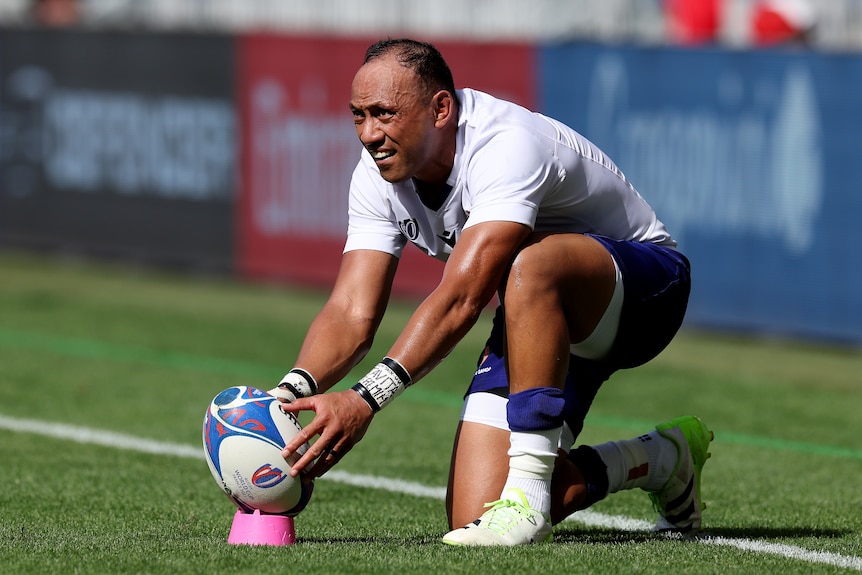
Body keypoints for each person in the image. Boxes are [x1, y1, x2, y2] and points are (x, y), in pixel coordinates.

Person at [270, 38, 712, 546]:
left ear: (441, 108)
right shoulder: (375, 175)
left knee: (528, 264)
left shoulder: (505, 143)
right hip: (538, 319)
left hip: (644, 294)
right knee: (473, 515)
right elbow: (351, 310)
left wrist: (365, 400)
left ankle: (527, 498)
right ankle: (660, 459)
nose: (370, 134)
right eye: (358, 116)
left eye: (384, 114)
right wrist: (287, 396)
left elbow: (464, 297)